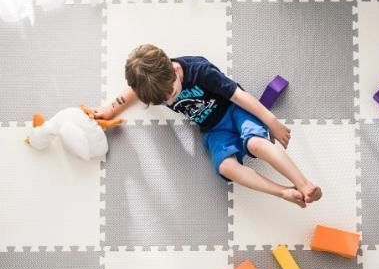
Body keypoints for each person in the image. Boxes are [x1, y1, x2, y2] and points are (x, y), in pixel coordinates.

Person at [95, 44, 322, 207]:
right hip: (213, 128)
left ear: (175, 71)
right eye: (162, 101)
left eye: (171, 94)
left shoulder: (200, 70)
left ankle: (303, 184)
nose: (169, 100)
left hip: (235, 111)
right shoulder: (154, 83)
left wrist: (271, 122)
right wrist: (111, 110)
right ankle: (283, 193)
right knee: (226, 168)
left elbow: (238, 96)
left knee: (255, 144)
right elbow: (133, 90)